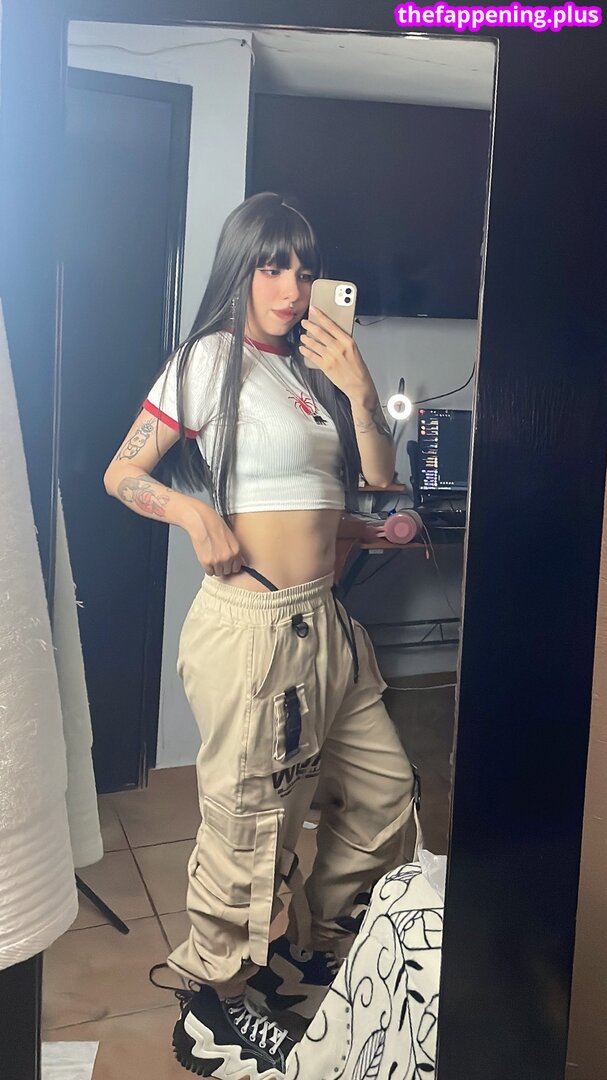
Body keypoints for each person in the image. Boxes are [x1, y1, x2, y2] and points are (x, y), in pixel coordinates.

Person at [103, 192, 414, 1079]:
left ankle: (311, 950)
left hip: (327, 623)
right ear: (239, 269)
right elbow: (122, 473)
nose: (291, 287)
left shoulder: (311, 379)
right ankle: (209, 1007)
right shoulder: (207, 361)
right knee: (250, 827)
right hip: (256, 629)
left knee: (384, 793)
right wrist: (193, 512)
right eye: (272, 267)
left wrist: (359, 392)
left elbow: (373, 483)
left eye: (304, 270)